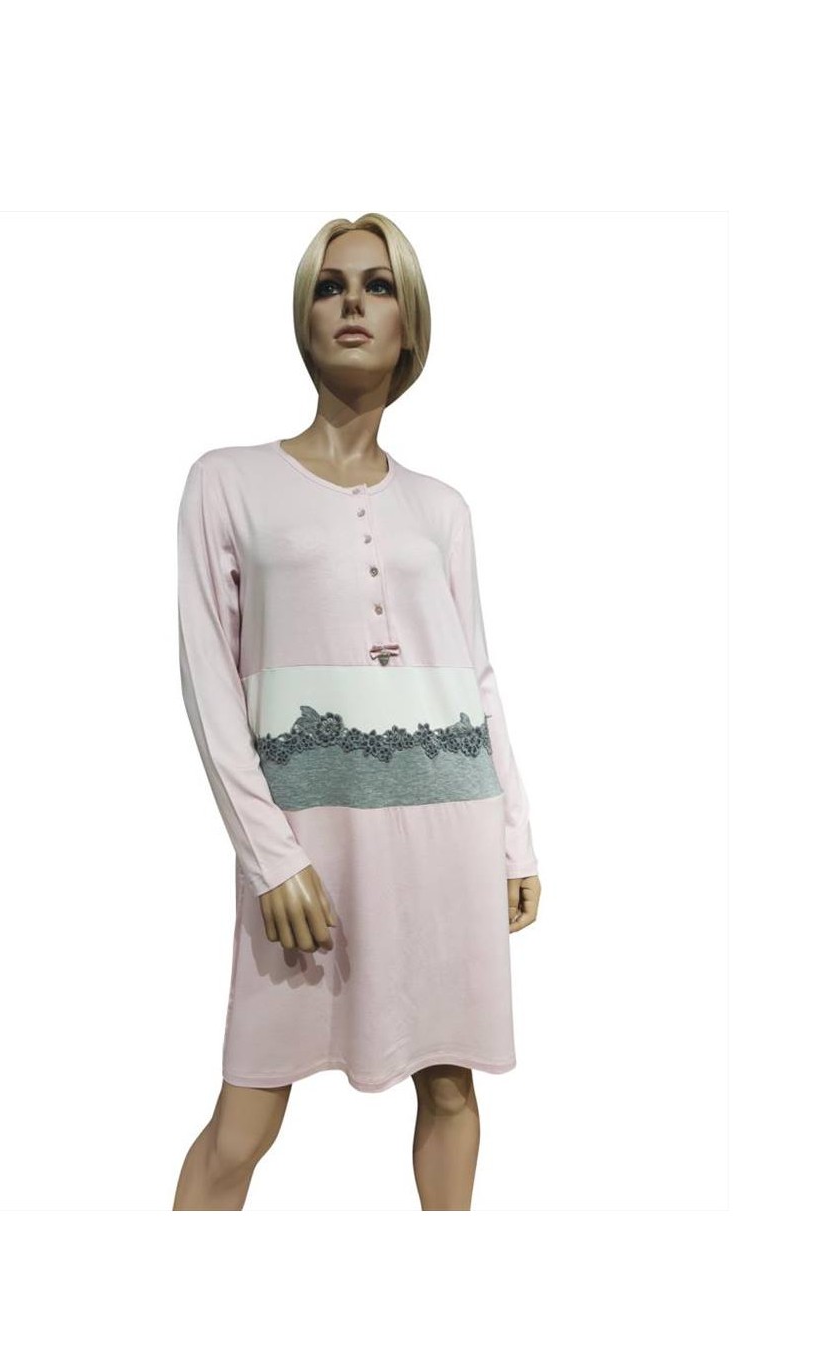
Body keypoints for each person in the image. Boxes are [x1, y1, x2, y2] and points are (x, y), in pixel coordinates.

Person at [173, 213, 541, 1211]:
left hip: (448, 829)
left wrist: (512, 837)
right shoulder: (227, 481)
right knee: (243, 1121)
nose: (351, 303)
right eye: (330, 286)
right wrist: (270, 856)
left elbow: (475, 676)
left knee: (451, 1087)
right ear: (303, 317)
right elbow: (208, 678)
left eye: (377, 286)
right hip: (312, 842)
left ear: (408, 323)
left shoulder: (442, 507)